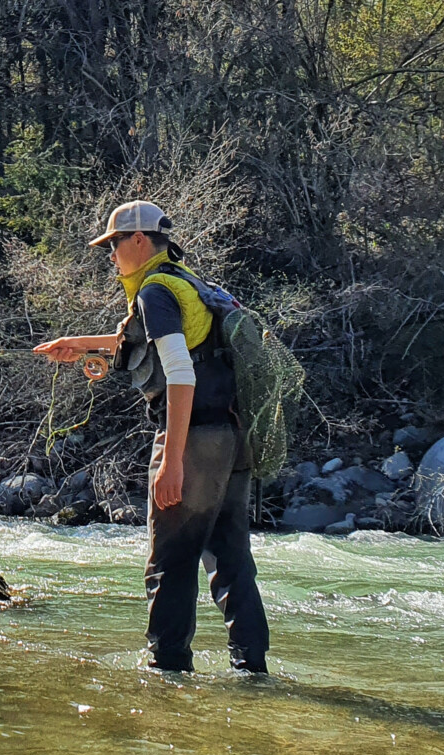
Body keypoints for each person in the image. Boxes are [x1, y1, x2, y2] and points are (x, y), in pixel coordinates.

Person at [33, 200, 270, 673]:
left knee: (170, 560)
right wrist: (82, 344)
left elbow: (181, 374)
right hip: (232, 439)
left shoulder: (155, 292)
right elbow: (166, 346)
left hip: (193, 441)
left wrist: (172, 460)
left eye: (114, 244)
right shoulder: (189, 283)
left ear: (138, 240)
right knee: (231, 556)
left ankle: (166, 673)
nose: (111, 255)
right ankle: (252, 671)